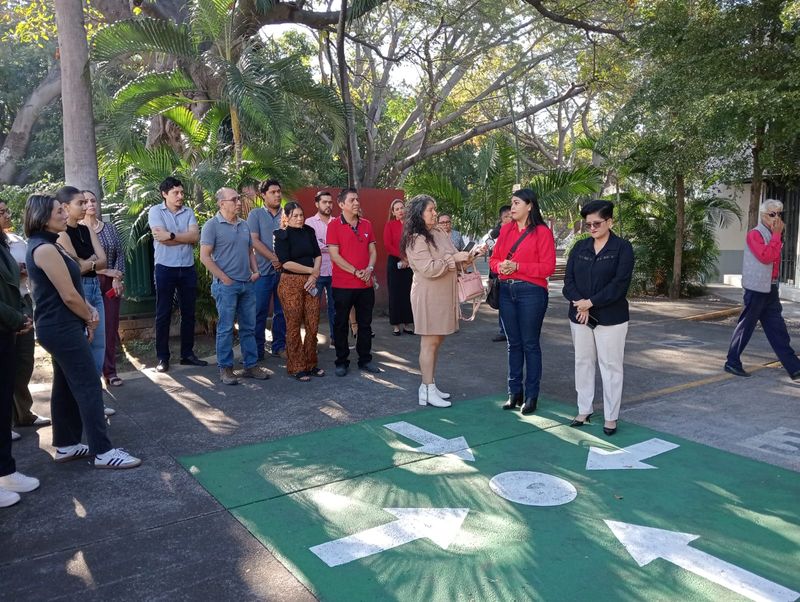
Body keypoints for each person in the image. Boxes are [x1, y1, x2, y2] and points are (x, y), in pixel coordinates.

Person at [25, 194, 141, 469]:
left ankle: (66, 445)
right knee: (89, 384)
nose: (65, 214)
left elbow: (72, 286)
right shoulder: (44, 249)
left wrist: (88, 308)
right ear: (43, 217)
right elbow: (67, 295)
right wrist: (89, 317)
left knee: (65, 385)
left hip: (62, 325)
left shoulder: (52, 245)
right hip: (59, 326)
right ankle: (103, 451)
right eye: (58, 211)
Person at [563, 200, 634, 436]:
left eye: (597, 223)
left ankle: (611, 416)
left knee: (611, 366)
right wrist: (580, 305)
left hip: (611, 318)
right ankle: (584, 409)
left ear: (609, 222)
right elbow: (568, 282)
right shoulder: (580, 248)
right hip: (580, 316)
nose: (592, 228)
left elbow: (619, 284)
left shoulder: (622, 248)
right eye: (588, 224)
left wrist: (590, 303)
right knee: (582, 362)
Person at [403, 195, 477, 407]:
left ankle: (429, 385)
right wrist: (453, 259)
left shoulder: (438, 232)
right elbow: (428, 268)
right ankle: (426, 388)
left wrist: (470, 255)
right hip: (427, 294)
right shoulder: (415, 238)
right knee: (429, 342)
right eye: (430, 210)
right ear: (419, 213)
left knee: (437, 341)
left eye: (435, 209)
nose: (435, 213)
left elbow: (454, 255)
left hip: (444, 293)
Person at [490, 189, 555, 415]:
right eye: (512, 203)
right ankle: (513, 392)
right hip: (507, 291)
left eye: (517, 203)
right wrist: (501, 267)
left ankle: (531, 395)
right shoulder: (506, 230)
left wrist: (518, 267)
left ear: (530, 206)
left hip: (532, 293)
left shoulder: (542, 232)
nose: (512, 207)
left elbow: (548, 268)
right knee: (513, 344)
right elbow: (493, 259)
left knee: (530, 344)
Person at [200, 188, 270, 385]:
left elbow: (250, 251)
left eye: (238, 198)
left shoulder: (244, 225)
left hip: (247, 284)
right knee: (225, 328)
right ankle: (226, 369)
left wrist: (255, 271)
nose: (239, 202)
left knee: (249, 326)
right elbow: (204, 257)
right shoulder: (211, 226)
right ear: (222, 203)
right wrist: (224, 278)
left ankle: (250, 365)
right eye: (234, 199)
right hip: (226, 286)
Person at [56, 187, 116, 418]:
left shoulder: (86, 229)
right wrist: (91, 262)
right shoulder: (61, 234)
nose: (85, 207)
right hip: (79, 290)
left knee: (98, 345)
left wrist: (88, 262)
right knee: (83, 347)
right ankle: (82, 404)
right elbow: (76, 267)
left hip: (94, 289)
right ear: (65, 207)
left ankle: (95, 402)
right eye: (80, 203)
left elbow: (103, 260)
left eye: (86, 202)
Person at [725, 199, 800, 381]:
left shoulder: (772, 233)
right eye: (772, 214)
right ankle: (732, 362)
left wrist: (776, 236)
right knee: (746, 326)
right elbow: (766, 257)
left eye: (779, 214)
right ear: (763, 215)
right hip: (756, 289)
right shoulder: (755, 234)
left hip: (771, 288)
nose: (776, 218)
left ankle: (794, 367)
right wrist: (776, 235)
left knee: (777, 329)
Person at [0, 216, 40, 506]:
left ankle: (6, 471)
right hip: (6, 323)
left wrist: (18, 318)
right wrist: (15, 318)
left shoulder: (5, 242)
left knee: (3, 405)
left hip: (7, 329)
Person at [148, 176, 207, 373]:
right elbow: (161, 239)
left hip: (187, 268)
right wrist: (183, 238)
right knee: (163, 313)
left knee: (189, 312)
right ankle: (163, 358)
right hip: (165, 267)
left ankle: (187, 354)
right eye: (176, 193)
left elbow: (195, 237)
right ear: (164, 194)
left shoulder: (188, 211)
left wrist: (172, 235)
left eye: (181, 192)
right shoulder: (155, 211)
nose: (180, 196)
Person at [0, 200, 50, 430]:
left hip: (22, 301)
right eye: (1, 212)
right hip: (5, 308)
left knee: (23, 361)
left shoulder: (15, 241)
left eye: (7, 210)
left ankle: (23, 413)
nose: (7, 215)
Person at [327, 188, 382, 376]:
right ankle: (341, 361)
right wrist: (356, 271)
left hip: (365, 285)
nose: (357, 203)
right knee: (341, 324)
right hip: (342, 285)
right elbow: (334, 255)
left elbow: (373, 251)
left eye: (357, 199)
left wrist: (369, 270)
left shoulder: (366, 224)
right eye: (352, 200)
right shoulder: (334, 225)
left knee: (365, 324)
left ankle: (365, 360)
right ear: (341, 205)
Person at [275, 202, 324, 381]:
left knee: (312, 324)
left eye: (301, 215)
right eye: (295, 215)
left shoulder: (309, 231)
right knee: (294, 326)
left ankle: (311, 363)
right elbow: (285, 262)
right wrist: (311, 271)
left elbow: (317, 255)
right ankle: (296, 367)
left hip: (311, 282)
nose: (299, 218)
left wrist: (314, 276)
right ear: (286, 217)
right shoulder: (281, 235)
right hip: (290, 283)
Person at [81, 191, 126, 387]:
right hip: (88, 281)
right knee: (90, 326)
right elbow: (81, 262)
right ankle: (91, 374)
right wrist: (105, 270)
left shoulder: (109, 228)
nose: (90, 204)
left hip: (110, 283)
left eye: (93, 200)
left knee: (109, 326)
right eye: (85, 201)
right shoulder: (76, 231)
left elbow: (120, 255)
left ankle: (110, 371)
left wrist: (117, 276)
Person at [247, 179, 286, 360]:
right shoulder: (255, 214)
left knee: (282, 312)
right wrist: (273, 258)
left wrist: (281, 261)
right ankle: (258, 350)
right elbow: (253, 240)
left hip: (284, 273)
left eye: (279, 191)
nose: (277, 195)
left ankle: (279, 346)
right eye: (273, 192)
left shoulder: (286, 214)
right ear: (263, 195)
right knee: (259, 312)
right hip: (262, 272)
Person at [305, 190, 336, 348]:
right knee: (312, 308)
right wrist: (329, 247)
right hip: (316, 273)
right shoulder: (309, 223)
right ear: (317, 204)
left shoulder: (337, 222)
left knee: (335, 308)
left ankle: (336, 340)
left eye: (330, 202)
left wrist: (324, 246)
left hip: (335, 272)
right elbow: (311, 247)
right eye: (324, 202)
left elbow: (339, 246)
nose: (328, 205)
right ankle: (311, 343)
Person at [481, 205, 512, 343]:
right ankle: (503, 330)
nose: (509, 219)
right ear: (500, 218)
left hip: (514, 272)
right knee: (502, 302)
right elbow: (484, 246)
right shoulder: (494, 233)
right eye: (506, 217)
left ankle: (513, 330)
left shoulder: (519, 230)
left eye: (511, 216)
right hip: (497, 273)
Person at [384, 198, 414, 335]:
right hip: (395, 263)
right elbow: (387, 245)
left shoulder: (411, 225)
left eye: (402, 207)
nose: (400, 211)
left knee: (408, 293)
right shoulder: (390, 225)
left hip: (410, 263)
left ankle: (408, 324)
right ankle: (396, 325)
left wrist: (409, 258)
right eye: (397, 209)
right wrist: (403, 257)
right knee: (395, 294)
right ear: (393, 212)